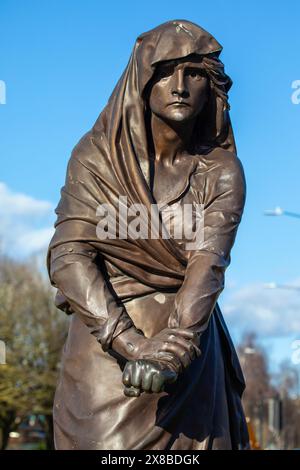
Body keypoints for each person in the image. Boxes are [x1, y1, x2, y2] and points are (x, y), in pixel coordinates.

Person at [47, 19, 250, 450]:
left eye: (193, 73)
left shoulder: (221, 171)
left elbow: (208, 264)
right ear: (142, 81)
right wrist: (130, 343)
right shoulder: (96, 158)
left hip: (188, 356)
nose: (179, 86)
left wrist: (170, 352)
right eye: (164, 71)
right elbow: (70, 254)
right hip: (105, 355)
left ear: (209, 86)